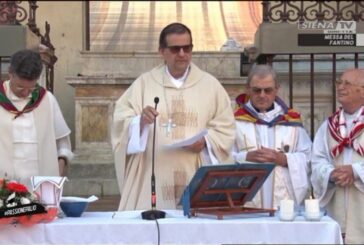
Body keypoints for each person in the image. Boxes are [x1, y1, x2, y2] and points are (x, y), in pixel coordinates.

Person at [111, 22, 235, 210]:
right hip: (153, 174)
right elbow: (120, 121)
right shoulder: (144, 84)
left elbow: (226, 127)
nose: (182, 54)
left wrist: (206, 142)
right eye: (176, 49)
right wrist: (140, 122)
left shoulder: (210, 86)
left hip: (195, 172)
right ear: (162, 51)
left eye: (187, 48)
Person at [232, 64, 312, 209]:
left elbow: (309, 157)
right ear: (248, 89)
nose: (262, 95)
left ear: (276, 90)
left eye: (268, 90)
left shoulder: (291, 121)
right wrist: (245, 157)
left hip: (284, 204)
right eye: (257, 90)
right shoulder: (234, 121)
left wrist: (284, 159)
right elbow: (218, 157)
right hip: (245, 202)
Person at [0, 49, 73, 185]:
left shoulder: (46, 100)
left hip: (40, 185)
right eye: (20, 87)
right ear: (10, 73)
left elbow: (63, 143)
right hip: (3, 185)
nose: (26, 92)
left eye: (31, 88)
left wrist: (60, 164)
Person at [311, 68, 364, 244]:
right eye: (339, 82)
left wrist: (356, 172)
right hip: (336, 209)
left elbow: (354, 170)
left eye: (347, 83)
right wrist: (330, 174)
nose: (340, 87)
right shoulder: (329, 126)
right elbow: (317, 160)